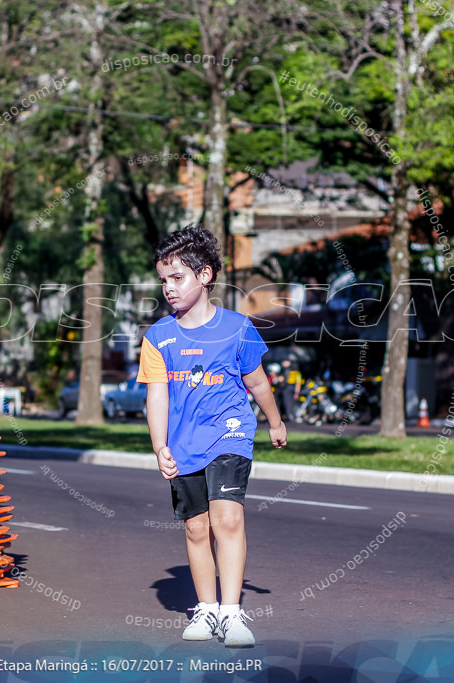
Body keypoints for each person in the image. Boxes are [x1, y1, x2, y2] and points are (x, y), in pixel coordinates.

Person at [137, 224, 286, 648]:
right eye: (163, 279)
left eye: (177, 277)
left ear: (204, 276)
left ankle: (232, 612)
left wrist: (275, 422)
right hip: (184, 444)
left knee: (228, 518)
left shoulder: (237, 328)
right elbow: (157, 398)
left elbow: (257, 384)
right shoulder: (158, 337)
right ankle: (206, 609)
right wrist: (160, 446)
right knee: (196, 528)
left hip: (230, 433)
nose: (168, 287)